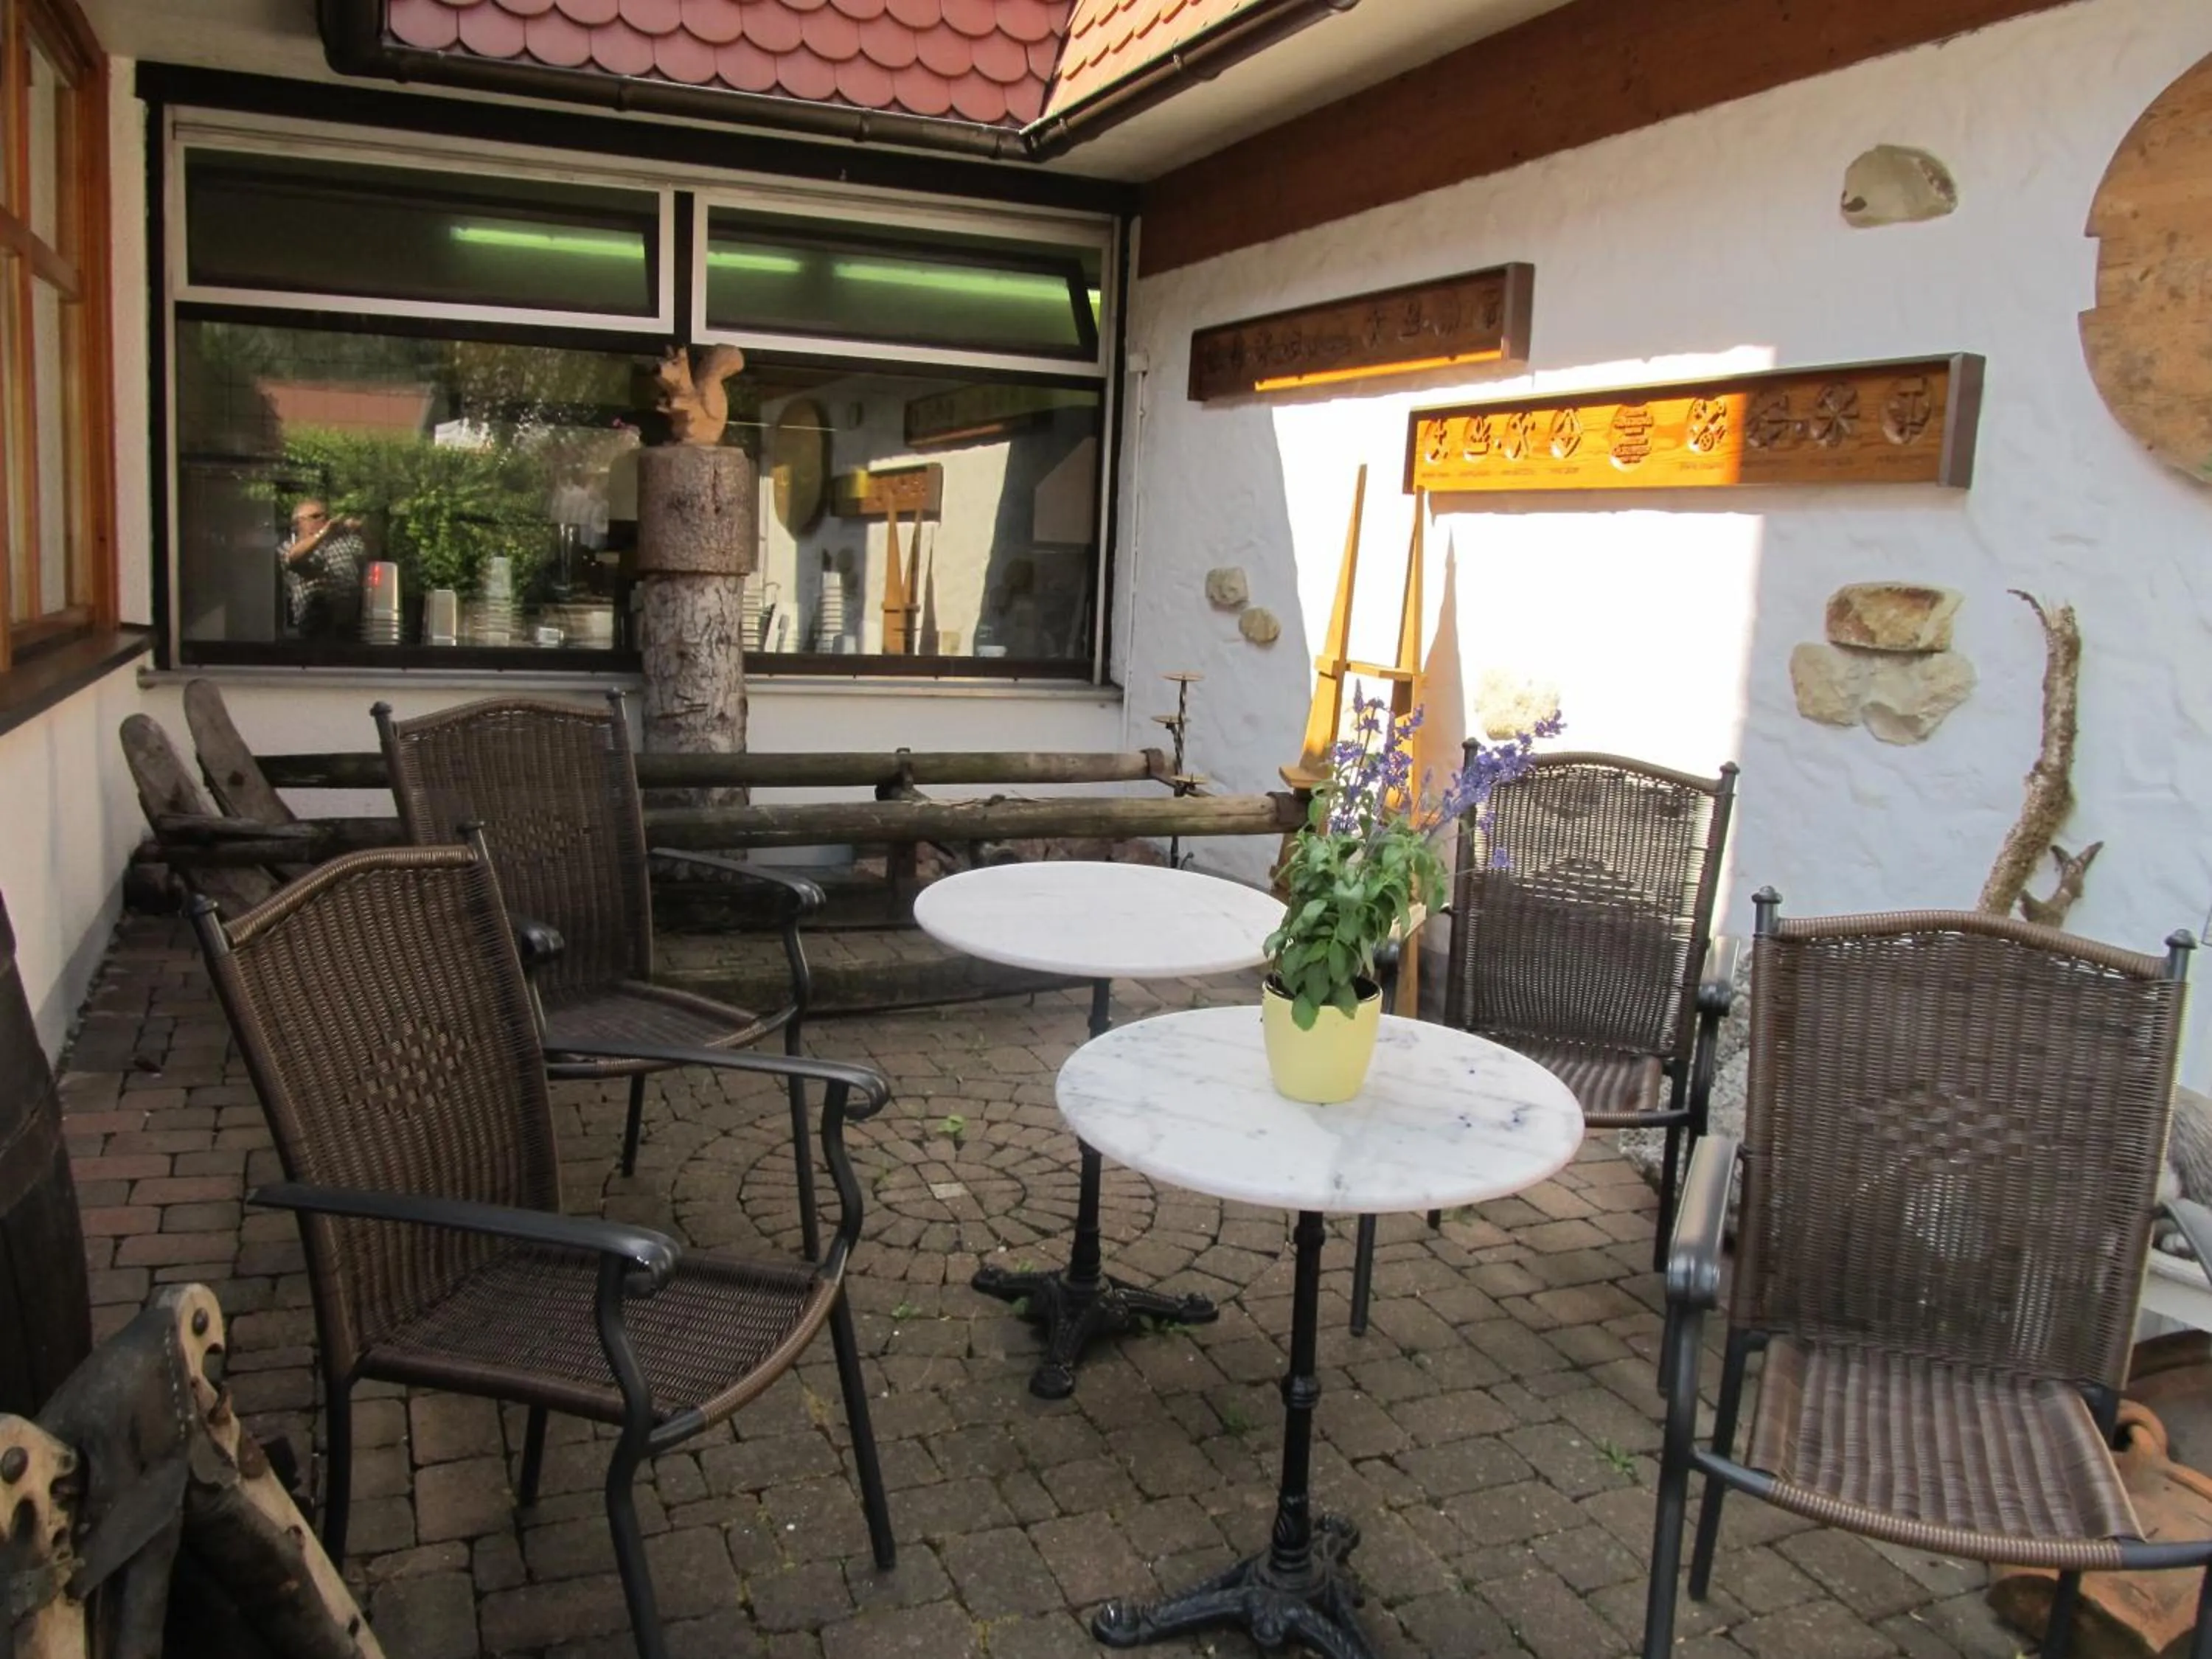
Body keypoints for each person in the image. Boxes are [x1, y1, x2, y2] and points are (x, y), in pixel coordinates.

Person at [278, 499, 365, 639]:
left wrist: (357, 527)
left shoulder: (344, 541)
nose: (323, 520)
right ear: (297, 523)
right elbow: (293, 559)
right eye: (315, 517)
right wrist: (323, 533)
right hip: (314, 626)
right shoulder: (289, 546)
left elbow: (371, 550)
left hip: (350, 623)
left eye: (325, 516)